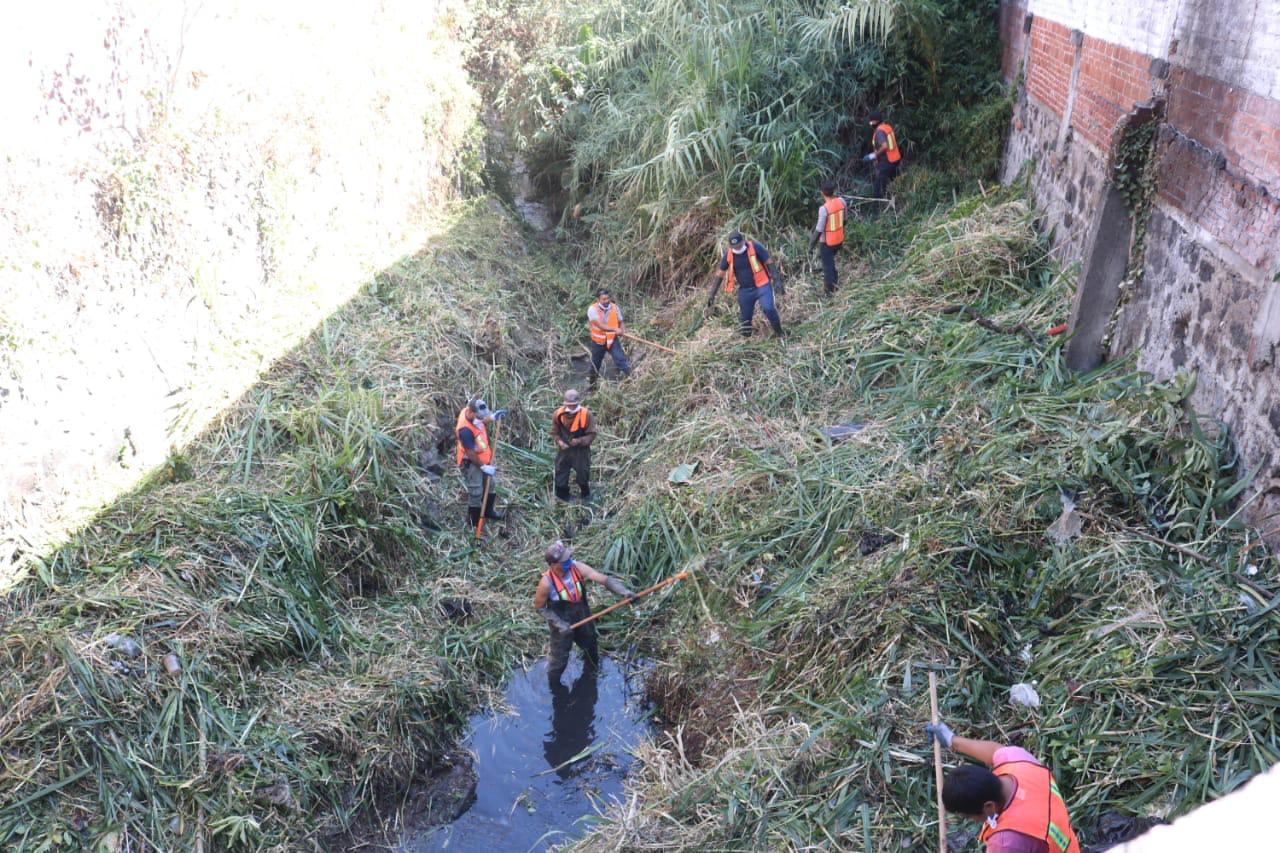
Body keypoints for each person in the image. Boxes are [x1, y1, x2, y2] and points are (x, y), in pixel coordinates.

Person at [925, 720, 1081, 853]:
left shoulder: (1005, 843)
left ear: (989, 807)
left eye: (969, 817)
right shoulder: (1019, 762)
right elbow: (995, 751)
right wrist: (952, 740)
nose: (971, 820)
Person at [532, 540, 633, 687]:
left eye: (568, 558)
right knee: (558, 661)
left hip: (582, 617)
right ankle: (554, 689)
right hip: (562, 627)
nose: (569, 562)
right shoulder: (546, 583)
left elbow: (603, 579)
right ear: (553, 565)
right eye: (564, 561)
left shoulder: (576, 567)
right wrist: (559, 624)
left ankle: (591, 676)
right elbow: (539, 607)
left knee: (591, 647)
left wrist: (624, 591)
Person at [707, 231, 785, 338]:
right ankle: (746, 341)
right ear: (730, 246)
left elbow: (769, 261)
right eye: (734, 246)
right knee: (745, 319)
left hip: (762, 285)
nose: (737, 248)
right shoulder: (729, 255)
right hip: (745, 290)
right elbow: (720, 275)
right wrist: (712, 294)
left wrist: (777, 280)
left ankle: (780, 333)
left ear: (743, 241)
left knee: (769, 309)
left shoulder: (755, 247)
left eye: (739, 245)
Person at [455, 397, 506, 528]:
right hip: (472, 462)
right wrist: (483, 467)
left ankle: (488, 511)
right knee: (476, 490)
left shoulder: (473, 414)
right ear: (472, 413)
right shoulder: (465, 430)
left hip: (484, 458)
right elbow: (471, 453)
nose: (481, 418)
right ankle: (473, 520)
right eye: (479, 416)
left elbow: (482, 421)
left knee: (491, 484)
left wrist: (493, 417)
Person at [551, 388, 596, 502]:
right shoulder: (558, 414)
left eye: (574, 405)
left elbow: (592, 434)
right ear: (565, 403)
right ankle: (562, 496)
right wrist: (560, 442)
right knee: (560, 471)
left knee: (583, 473)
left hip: (581, 451)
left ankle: (585, 495)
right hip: (564, 450)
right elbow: (554, 432)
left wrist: (580, 441)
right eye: (569, 405)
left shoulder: (586, 415)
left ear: (578, 402)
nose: (571, 407)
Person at [808, 179, 846, 295]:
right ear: (834, 191)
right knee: (831, 263)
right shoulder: (842, 202)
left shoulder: (823, 209)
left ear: (822, 193)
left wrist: (811, 245)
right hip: (839, 239)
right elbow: (845, 220)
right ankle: (835, 282)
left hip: (827, 243)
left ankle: (830, 292)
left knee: (827, 266)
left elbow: (819, 229)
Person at [588, 288, 631, 387]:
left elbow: (620, 321)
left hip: (612, 340)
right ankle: (592, 386)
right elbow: (601, 326)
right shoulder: (592, 309)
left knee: (621, 360)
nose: (606, 301)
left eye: (608, 298)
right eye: (604, 299)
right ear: (598, 300)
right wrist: (615, 330)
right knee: (595, 365)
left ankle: (633, 379)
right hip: (598, 342)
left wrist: (622, 330)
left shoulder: (615, 308)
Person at [864, 108, 902, 201]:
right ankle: (898, 200)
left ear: (876, 121)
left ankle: (877, 207)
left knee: (879, 185)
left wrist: (874, 155)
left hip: (888, 161)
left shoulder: (879, 131)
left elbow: (884, 146)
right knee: (896, 182)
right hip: (895, 158)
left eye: (871, 121)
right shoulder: (887, 127)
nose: (870, 124)